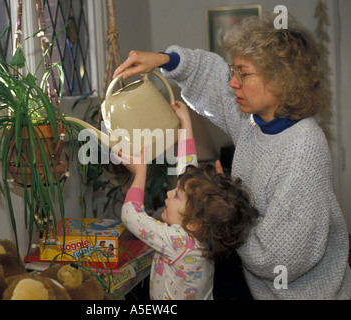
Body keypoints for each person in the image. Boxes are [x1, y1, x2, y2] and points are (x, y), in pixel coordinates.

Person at [113, 13, 351, 299]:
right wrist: (165, 60)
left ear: (280, 80)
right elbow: (212, 77)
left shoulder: (303, 151)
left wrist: (225, 207)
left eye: (243, 73)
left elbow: (279, 258)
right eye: (233, 71)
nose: (232, 83)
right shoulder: (254, 119)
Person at [119, 100, 258, 300]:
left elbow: (130, 215)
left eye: (176, 195)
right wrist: (186, 124)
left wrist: (140, 172)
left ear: (193, 223)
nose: (168, 193)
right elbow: (188, 174)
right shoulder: (206, 236)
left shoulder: (177, 241)